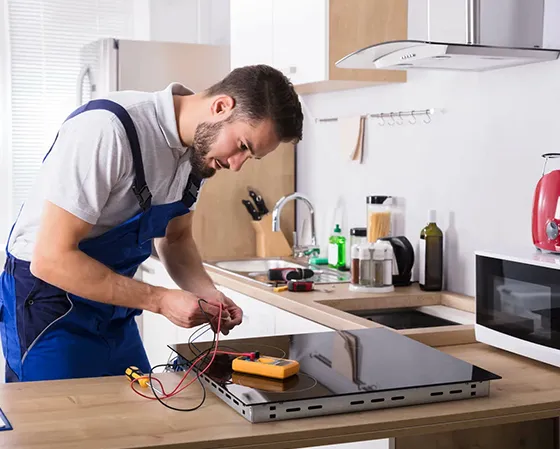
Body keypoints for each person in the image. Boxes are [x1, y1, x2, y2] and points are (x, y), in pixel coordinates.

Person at [0, 64, 304, 383]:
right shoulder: (107, 129)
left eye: (249, 158)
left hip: (112, 310)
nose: (237, 165)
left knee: (139, 419)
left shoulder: (197, 155)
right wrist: (159, 300)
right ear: (221, 107)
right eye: (243, 146)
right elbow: (51, 259)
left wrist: (208, 294)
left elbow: (176, 239)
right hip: (49, 307)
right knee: (63, 429)